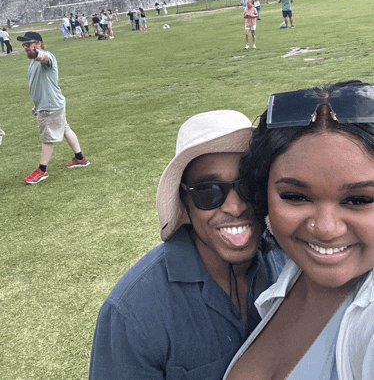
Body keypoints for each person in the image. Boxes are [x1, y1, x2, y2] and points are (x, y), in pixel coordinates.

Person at [89, 110, 288, 379]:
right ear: (184, 201)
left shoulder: (290, 259)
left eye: (249, 186)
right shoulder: (133, 312)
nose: (236, 206)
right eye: (209, 191)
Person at [224, 81, 374, 380]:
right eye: (295, 196)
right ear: (262, 195)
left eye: (359, 200)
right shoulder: (287, 282)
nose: (327, 229)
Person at [18, 32, 90, 184]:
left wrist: (36, 52)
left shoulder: (46, 57)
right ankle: (80, 159)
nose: (25, 48)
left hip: (50, 107)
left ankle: (42, 170)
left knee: (47, 138)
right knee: (65, 129)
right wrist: (37, 105)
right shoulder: (33, 63)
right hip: (50, 104)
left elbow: (43, 57)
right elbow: (40, 85)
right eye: (24, 45)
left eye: (28, 44)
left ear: (38, 44)